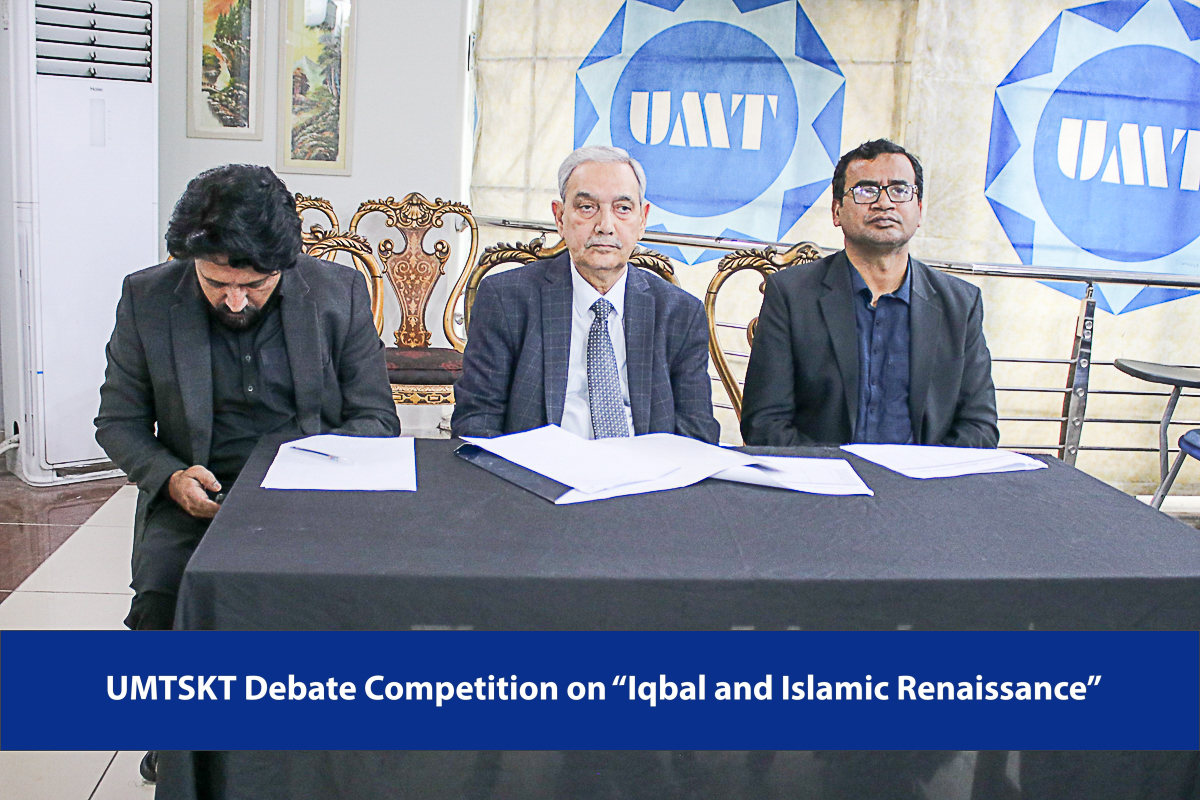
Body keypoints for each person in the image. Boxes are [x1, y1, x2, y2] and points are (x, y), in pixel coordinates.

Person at [96, 164, 400, 636]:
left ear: (284, 264)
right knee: (162, 602)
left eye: (253, 286)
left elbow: (377, 418)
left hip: (314, 495)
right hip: (198, 500)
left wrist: (317, 472)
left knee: (347, 605)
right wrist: (172, 478)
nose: (235, 302)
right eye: (216, 284)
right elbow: (118, 422)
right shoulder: (147, 298)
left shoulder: (338, 293)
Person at [451, 146, 719, 443]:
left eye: (623, 209)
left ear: (642, 220)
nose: (605, 226)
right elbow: (476, 423)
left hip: (645, 469)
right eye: (587, 207)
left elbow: (697, 435)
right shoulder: (506, 300)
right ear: (559, 217)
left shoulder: (680, 313)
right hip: (539, 468)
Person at [740, 139, 998, 448]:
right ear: (836, 211)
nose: (884, 203)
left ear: (918, 211)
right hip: (822, 475)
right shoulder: (791, 294)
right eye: (866, 191)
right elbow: (764, 423)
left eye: (900, 190)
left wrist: (919, 474)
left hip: (923, 476)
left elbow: (979, 428)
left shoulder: (960, 304)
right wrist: (840, 471)